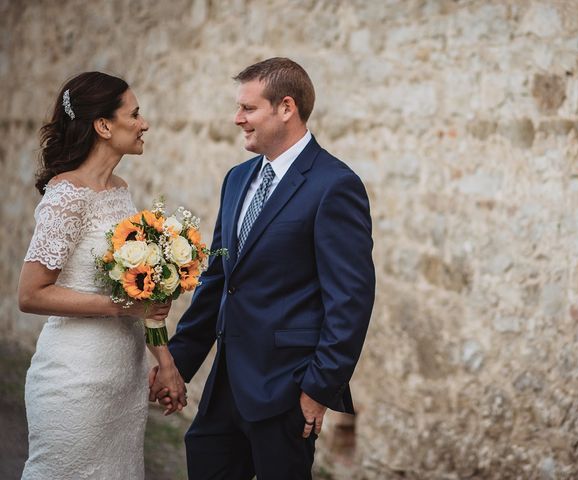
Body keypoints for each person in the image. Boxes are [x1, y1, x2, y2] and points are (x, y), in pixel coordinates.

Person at [150, 57, 376, 479]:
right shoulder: (237, 179)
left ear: (286, 107)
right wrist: (177, 364)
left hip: (286, 391)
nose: (237, 119)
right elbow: (218, 281)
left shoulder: (335, 185)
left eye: (248, 109)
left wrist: (318, 388)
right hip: (223, 388)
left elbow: (350, 301)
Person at [18, 71, 186, 480]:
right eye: (136, 114)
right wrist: (120, 306)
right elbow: (31, 294)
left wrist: (165, 363)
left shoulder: (119, 190)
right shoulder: (66, 197)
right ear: (104, 125)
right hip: (76, 379)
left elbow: (137, 290)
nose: (144, 124)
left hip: (123, 382)